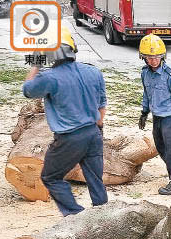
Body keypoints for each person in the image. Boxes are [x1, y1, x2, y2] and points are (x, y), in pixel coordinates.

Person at [22, 26, 108, 216]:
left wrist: (36, 64)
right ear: (73, 49)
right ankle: (102, 216)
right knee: (95, 179)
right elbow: (102, 103)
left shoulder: (49, 77)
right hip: (94, 132)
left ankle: (75, 215)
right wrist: (99, 128)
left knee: (50, 177)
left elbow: (28, 90)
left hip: (70, 137)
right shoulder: (93, 72)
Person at [138, 34, 171, 195]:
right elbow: (147, 93)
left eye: (157, 57)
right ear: (143, 57)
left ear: (163, 56)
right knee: (161, 147)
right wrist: (144, 112)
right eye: (149, 57)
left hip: (170, 118)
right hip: (157, 117)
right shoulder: (145, 73)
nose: (153, 60)